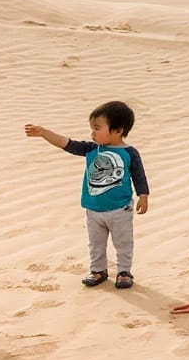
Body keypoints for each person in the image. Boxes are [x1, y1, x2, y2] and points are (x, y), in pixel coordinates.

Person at [25, 101, 149, 289]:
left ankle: (124, 271)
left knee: (123, 243)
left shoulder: (129, 153)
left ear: (117, 131)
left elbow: (139, 175)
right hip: (93, 210)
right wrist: (44, 133)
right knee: (95, 244)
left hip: (120, 209)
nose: (92, 133)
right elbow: (66, 143)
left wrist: (143, 196)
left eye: (97, 128)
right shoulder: (91, 149)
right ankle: (98, 270)